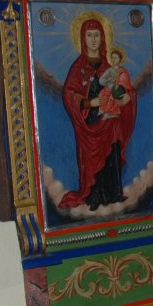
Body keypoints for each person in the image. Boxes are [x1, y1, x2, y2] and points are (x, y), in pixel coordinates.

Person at [58, 18, 138, 211]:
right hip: (90, 124)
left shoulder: (108, 67)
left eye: (97, 35)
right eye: (89, 35)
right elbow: (69, 94)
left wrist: (127, 97)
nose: (93, 40)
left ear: (102, 38)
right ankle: (93, 196)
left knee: (112, 154)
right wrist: (89, 103)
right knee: (91, 159)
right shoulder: (78, 68)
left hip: (110, 122)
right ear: (83, 38)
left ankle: (113, 194)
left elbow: (125, 88)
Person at [96, 47, 133, 118]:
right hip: (109, 87)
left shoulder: (123, 71)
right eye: (112, 58)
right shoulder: (110, 70)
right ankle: (102, 110)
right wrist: (108, 82)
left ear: (120, 59)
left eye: (115, 58)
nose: (113, 60)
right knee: (102, 94)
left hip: (119, 90)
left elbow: (125, 83)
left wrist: (119, 87)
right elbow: (101, 80)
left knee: (112, 96)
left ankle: (111, 113)